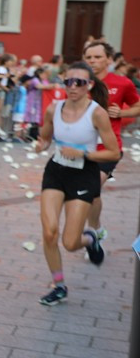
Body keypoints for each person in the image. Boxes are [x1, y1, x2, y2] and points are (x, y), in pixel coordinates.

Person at [35, 61, 118, 306]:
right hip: (56, 172)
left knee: (70, 243)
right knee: (49, 233)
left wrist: (83, 154)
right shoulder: (54, 108)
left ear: (89, 85)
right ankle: (59, 285)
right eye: (68, 82)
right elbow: (45, 137)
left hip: (84, 174)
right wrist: (41, 145)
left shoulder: (97, 113)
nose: (72, 87)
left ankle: (90, 239)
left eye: (79, 83)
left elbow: (113, 152)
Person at [82, 41, 138, 241]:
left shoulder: (122, 83)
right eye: (89, 57)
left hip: (108, 147)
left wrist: (123, 112)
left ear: (108, 59)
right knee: (87, 193)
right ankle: (96, 228)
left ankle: (92, 231)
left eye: (97, 57)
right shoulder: (79, 82)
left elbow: (138, 105)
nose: (93, 61)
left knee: (91, 186)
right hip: (82, 147)